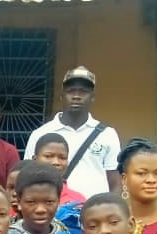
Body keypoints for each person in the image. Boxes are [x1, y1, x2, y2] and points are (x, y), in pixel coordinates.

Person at [24, 67, 121, 199]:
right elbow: (28, 176)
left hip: (96, 212)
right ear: (61, 96)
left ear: (92, 97)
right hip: (53, 211)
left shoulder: (107, 134)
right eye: (70, 91)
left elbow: (115, 182)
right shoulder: (40, 134)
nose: (76, 96)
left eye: (83, 92)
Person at [32, 133, 86, 206]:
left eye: (62, 158)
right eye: (48, 156)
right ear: (35, 159)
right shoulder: (21, 196)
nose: (56, 162)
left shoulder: (78, 200)